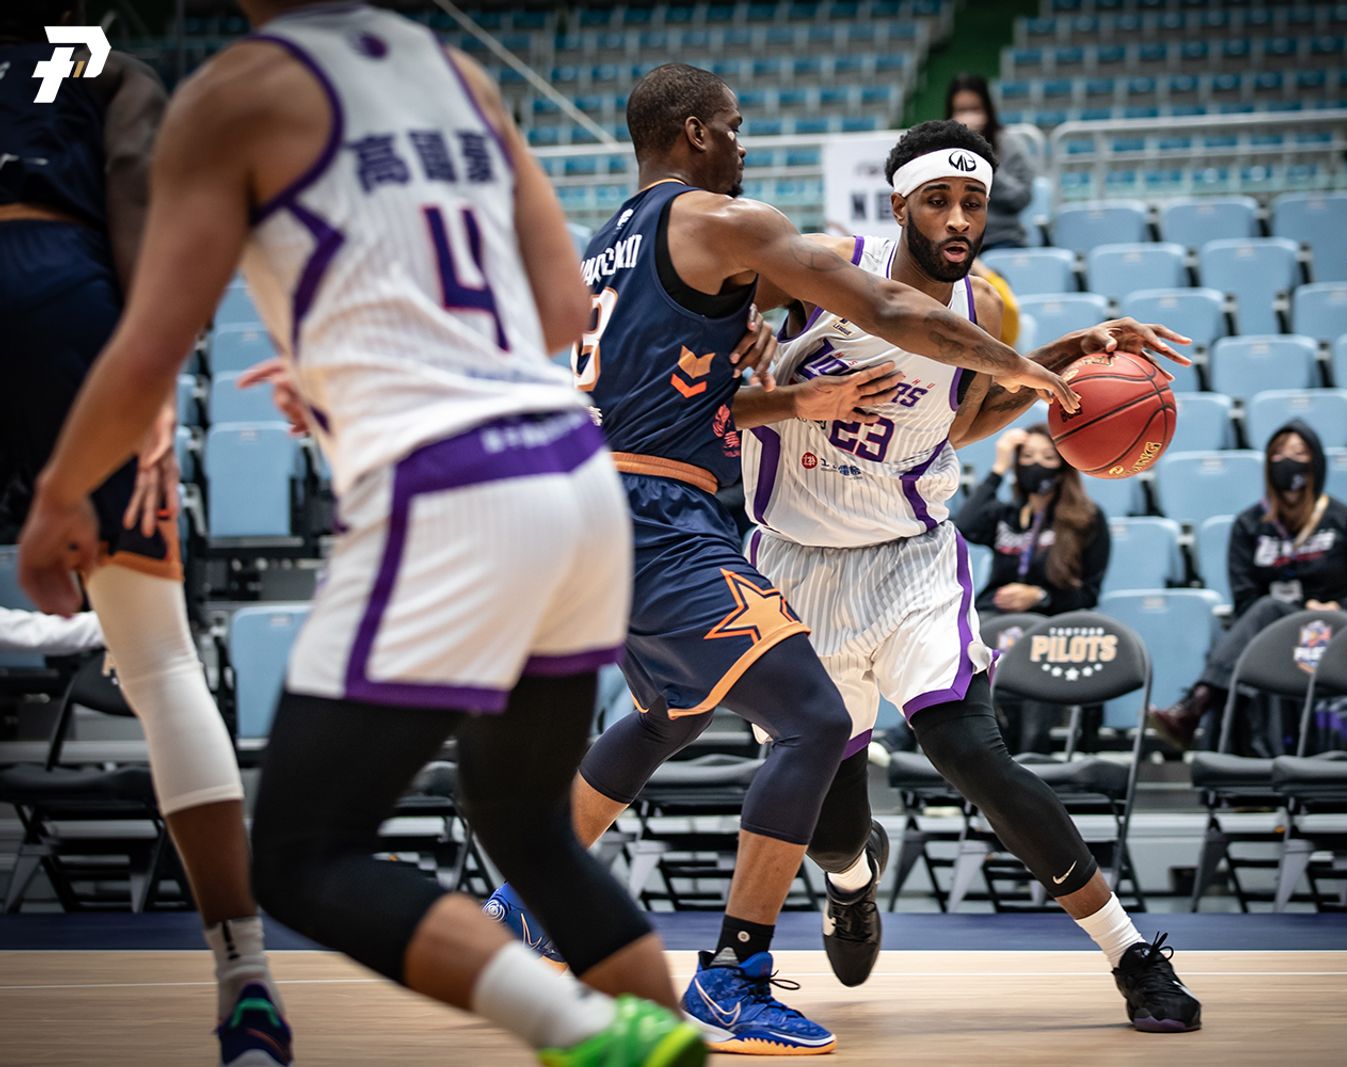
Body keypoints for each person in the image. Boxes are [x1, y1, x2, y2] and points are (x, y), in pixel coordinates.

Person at [17, 4, 706, 1065]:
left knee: (301, 854)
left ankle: (573, 1026)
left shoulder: (236, 92)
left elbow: (151, 343)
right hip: (573, 473)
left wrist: (60, 494)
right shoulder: (463, 77)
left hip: (451, 487)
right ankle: (654, 1044)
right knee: (528, 827)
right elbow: (564, 309)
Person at [481, 63, 1088, 1057]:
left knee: (669, 712)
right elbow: (888, 308)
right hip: (656, 511)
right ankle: (731, 975)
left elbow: (683, 386)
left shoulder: (610, 241)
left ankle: (522, 901)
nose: (744, 144)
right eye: (732, 127)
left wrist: (784, 391)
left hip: (596, 507)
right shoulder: (721, 221)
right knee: (812, 717)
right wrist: (1021, 366)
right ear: (694, 133)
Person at [748, 120, 1203, 1034]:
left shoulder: (984, 310)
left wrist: (1067, 356)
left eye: (973, 202)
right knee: (830, 826)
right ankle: (854, 877)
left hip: (909, 557)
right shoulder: (819, 268)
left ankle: (1130, 953)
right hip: (796, 565)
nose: (959, 219)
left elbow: (960, 424)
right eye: (939, 200)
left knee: (972, 753)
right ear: (899, 205)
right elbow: (710, 363)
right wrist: (769, 375)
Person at [1, 3, 294, 1062]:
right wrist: (149, 372)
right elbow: (134, 181)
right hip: (60, 290)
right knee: (161, 659)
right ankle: (245, 978)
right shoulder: (106, 68)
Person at [1151, 420, 1347, 751]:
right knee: (1265, 610)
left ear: (1316, 461)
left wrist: (1338, 608)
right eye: (1279, 454)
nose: (1288, 461)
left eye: (1299, 453)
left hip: (1331, 630)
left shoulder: (1345, 521)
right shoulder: (1250, 524)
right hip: (1271, 632)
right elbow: (1244, 598)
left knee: (1265, 612)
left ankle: (1197, 702)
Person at [954, 423, 1110, 754]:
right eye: (1026, 457)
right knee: (957, 640)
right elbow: (962, 527)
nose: (1036, 464)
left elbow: (1089, 594)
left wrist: (1040, 596)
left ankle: (1029, 759)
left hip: (1051, 624)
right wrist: (998, 468)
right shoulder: (1004, 515)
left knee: (1035, 650)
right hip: (994, 621)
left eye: (1047, 457)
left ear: (1064, 465)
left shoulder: (1087, 519)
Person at [946, 73, 1036, 251]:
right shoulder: (940, 149)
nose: (968, 118)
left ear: (987, 110)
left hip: (1002, 240)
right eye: (961, 110)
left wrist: (983, 157)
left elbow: (1020, 199)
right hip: (954, 240)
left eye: (975, 109)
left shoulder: (1010, 144)